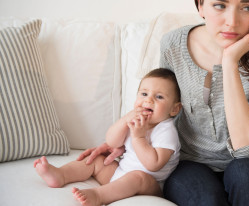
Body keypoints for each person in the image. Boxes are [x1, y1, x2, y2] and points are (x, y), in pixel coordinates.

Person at [78, 0, 249, 205]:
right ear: (200, 4)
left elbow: (247, 150)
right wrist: (124, 142)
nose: (232, 22)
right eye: (220, 5)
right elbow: (161, 109)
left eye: (246, 7)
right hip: (191, 162)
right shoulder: (174, 45)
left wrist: (230, 62)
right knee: (205, 198)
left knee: (243, 173)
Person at [34, 68, 182, 206]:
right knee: (97, 160)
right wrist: (124, 121)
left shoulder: (166, 131)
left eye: (159, 97)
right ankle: (61, 175)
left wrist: (138, 138)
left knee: (139, 177)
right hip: (119, 175)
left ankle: (98, 195)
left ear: (174, 109)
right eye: (144, 94)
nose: (148, 100)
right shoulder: (133, 119)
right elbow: (112, 142)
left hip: (147, 186)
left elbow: (153, 164)